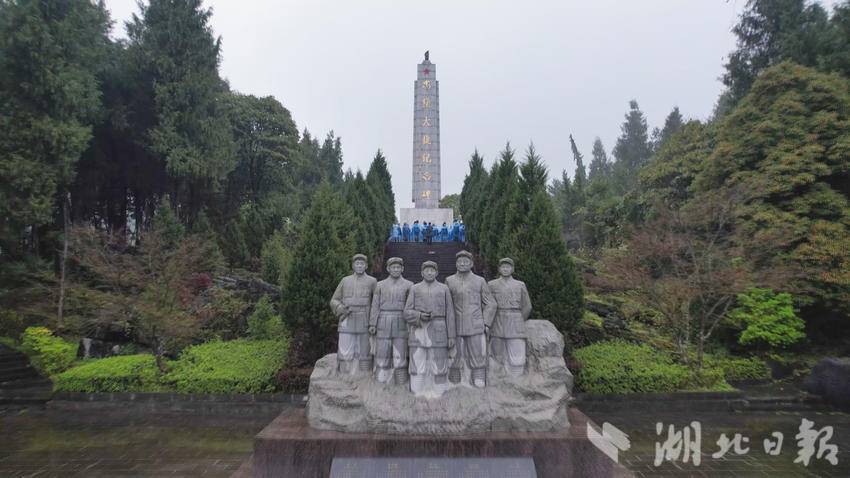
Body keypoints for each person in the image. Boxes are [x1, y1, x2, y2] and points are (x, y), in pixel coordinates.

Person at [404, 261, 456, 396]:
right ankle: (417, 391)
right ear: (422, 273)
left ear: (437, 272)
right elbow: (406, 312)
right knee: (417, 362)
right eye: (426, 270)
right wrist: (419, 315)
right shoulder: (414, 288)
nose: (429, 273)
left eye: (432, 270)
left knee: (439, 362)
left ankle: (439, 392)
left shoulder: (444, 289)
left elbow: (450, 313)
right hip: (419, 330)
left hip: (439, 329)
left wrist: (451, 335)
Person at [445, 250, 495, 388]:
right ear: (456, 264)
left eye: (466, 262)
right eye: (460, 262)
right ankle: (454, 378)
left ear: (471, 264)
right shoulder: (449, 281)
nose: (462, 264)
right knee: (454, 354)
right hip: (455, 324)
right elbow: (446, 304)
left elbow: (491, 303)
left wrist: (486, 322)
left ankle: (478, 378)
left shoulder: (479, 281)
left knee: (477, 353)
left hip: (475, 324)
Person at [329, 254, 378, 374]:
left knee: (364, 350)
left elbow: (376, 303)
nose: (359, 266)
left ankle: (364, 376)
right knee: (345, 348)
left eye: (362, 263)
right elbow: (334, 300)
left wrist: (373, 322)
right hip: (347, 317)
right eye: (357, 263)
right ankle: (344, 375)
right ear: (353, 266)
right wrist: (340, 308)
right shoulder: (345, 280)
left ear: (366, 266)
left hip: (364, 319)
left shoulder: (372, 281)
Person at [369, 257, 414, 384]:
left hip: (401, 320)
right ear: (388, 269)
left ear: (402, 269)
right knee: (382, 352)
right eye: (393, 267)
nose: (396, 269)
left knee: (400, 352)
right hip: (383, 320)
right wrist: (372, 323)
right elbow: (375, 305)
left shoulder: (409, 285)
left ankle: (400, 381)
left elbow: (412, 306)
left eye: (398, 267)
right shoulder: (380, 285)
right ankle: (381, 380)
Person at [487, 258, 532, 377]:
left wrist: (519, 319)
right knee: (496, 351)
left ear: (512, 269)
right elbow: (487, 304)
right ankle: (498, 376)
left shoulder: (520, 285)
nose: (505, 269)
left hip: (515, 320)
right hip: (497, 321)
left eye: (508, 267)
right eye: (503, 267)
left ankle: (517, 377)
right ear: (499, 269)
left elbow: (527, 306)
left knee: (517, 350)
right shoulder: (491, 285)